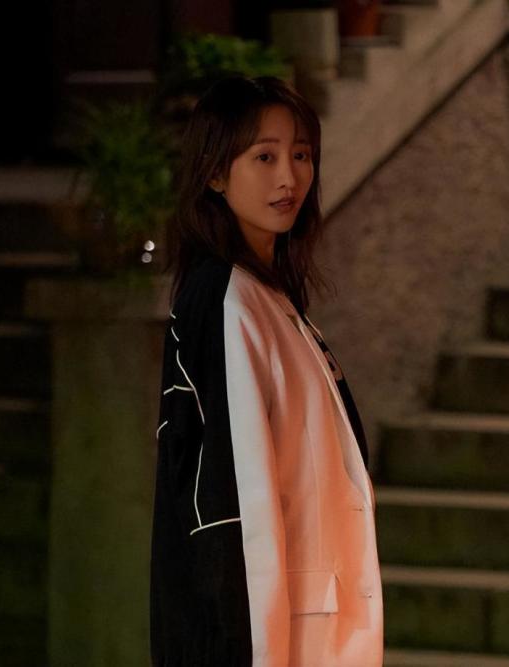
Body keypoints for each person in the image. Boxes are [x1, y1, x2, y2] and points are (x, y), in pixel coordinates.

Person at [150, 75, 383, 667]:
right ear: (215, 173)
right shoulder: (226, 300)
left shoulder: (269, 300)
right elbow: (237, 502)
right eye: (264, 157)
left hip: (316, 631)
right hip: (272, 638)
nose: (289, 178)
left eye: (301, 155)